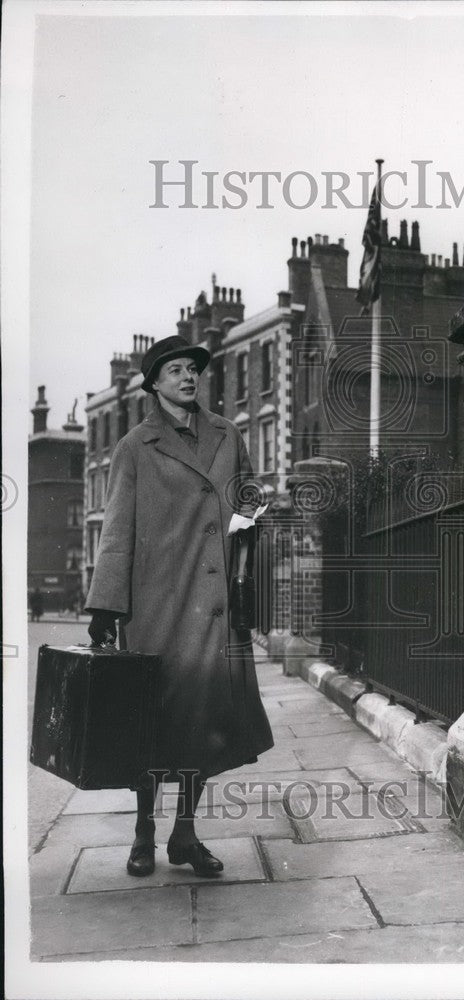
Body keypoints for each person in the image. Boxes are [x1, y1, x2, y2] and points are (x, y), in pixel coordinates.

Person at [85, 335, 273, 878]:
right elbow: (117, 531)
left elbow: (249, 492)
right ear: (154, 383)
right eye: (175, 371)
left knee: (207, 720)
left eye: (192, 369)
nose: (188, 378)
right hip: (157, 605)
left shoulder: (227, 433)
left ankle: (185, 833)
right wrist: (105, 607)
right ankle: (144, 830)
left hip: (214, 605)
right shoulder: (135, 447)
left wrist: (249, 510)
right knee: (151, 721)